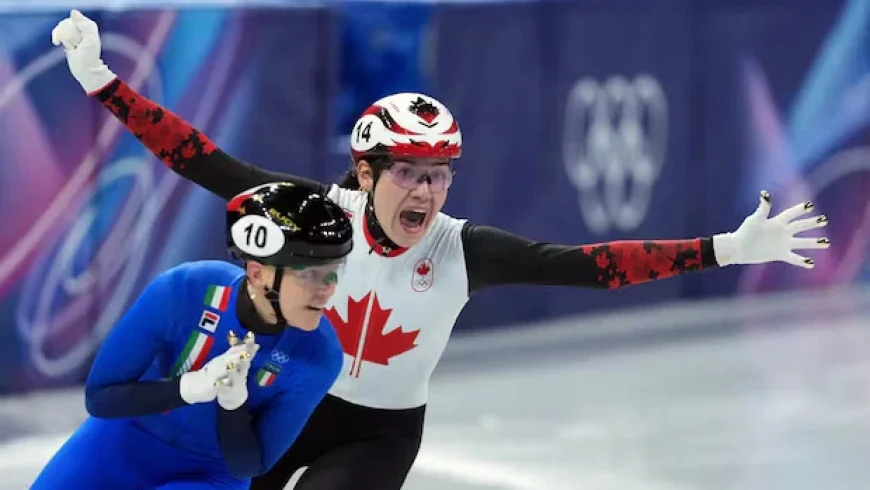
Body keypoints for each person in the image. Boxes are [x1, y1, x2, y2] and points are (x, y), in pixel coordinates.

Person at [52, 10, 831, 490]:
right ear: (365, 173)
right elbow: (202, 160)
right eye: (408, 173)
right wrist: (103, 84)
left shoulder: (465, 251)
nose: (425, 192)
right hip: (293, 405)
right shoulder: (317, 217)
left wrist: (727, 249)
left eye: (439, 175)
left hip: (377, 433)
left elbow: (588, 268)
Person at [30, 181, 354, 490]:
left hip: (207, 476)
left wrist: (232, 404)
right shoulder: (183, 290)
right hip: (119, 444)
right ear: (258, 274)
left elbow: (248, 465)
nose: (327, 290)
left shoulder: (320, 356)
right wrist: (188, 388)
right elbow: (100, 398)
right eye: (310, 275)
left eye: (332, 273)